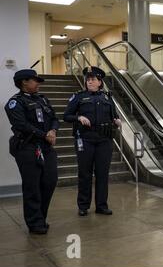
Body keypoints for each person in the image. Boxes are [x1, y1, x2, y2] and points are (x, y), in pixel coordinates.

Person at [4, 69, 59, 235]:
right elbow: (22, 125)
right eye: (35, 80)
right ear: (24, 82)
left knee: (49, 182)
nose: (38, 83)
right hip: (27, 148)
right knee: (32, 186)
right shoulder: (15, 103)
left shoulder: (42, 99)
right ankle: (34, 222)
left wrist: (53, 131)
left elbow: (55, 118)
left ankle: (41, 217)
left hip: (46, 147)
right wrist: (45, 135)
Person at [63, 66, 121, 216]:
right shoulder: (79, 97)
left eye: (93, 79)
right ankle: (83, 206)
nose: (89, 82)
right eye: (88, 79)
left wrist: (117, 121)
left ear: (100, 82)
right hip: (85, 140)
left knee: (102, 174)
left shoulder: (107, 97)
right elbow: (66, 116)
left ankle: (101, 205)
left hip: (104, 140)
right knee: (85, 173)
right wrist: (78, 117)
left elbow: (114, 116)